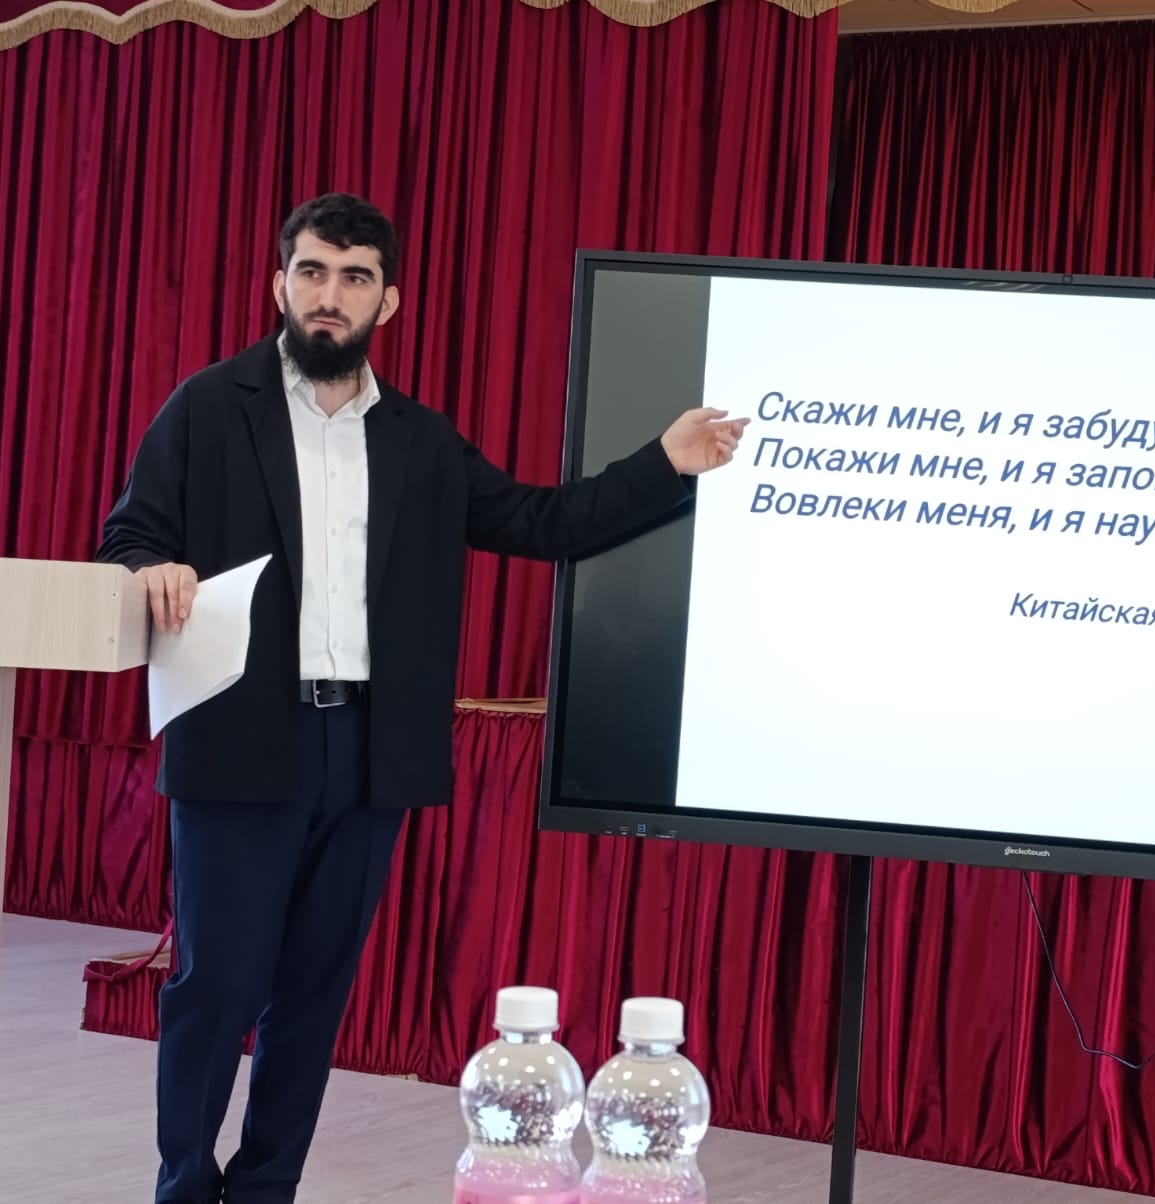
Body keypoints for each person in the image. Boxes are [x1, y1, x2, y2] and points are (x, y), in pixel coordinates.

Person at [95, 193, 747, 1204]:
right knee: (213, 987)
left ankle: (266, 1188)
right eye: (312, 272)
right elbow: (130, 533)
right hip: (237, 739)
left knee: (312, 996)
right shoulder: (208, 407)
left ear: (387, 302)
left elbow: (542, 521)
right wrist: (152, 567)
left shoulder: (421, 441)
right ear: (280, 284)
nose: (329, 294)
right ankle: (184, 1187)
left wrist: (664, 463)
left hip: (369, 754)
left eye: (354, 277)